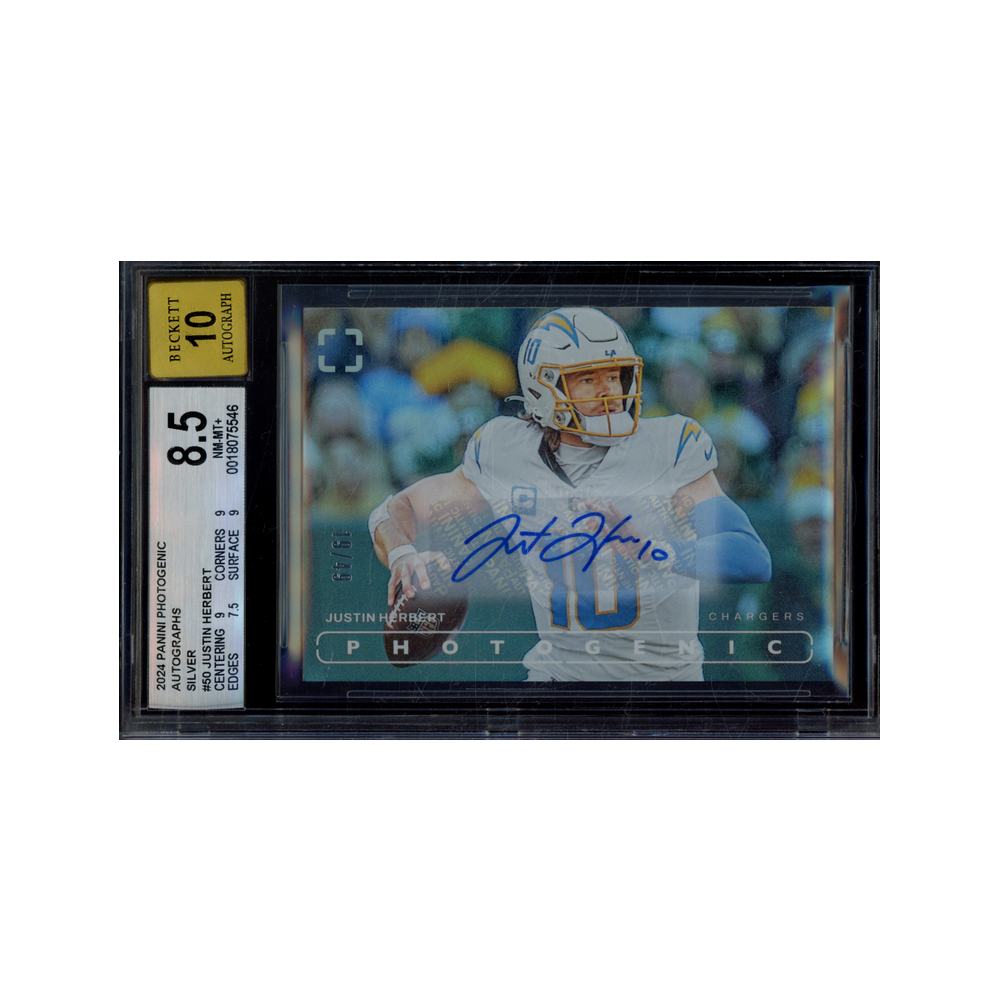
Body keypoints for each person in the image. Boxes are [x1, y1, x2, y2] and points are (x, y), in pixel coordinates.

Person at [368, 307, 771, 681]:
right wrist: (403, 555)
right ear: (543, 388)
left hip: (661, 688)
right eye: (588, 379)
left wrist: (653, 551)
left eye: (615, 375)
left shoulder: (668, 445)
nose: (609, 391)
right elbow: (394, 510)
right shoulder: (504, 449)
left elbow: (750, 555)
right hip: (559, 682)